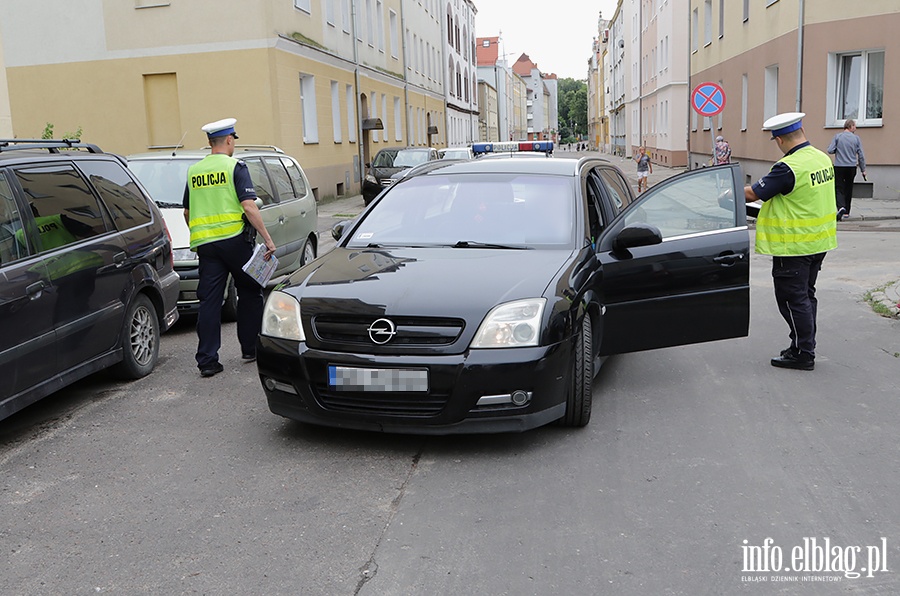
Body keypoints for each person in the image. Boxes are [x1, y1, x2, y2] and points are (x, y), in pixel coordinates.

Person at [744, 112, 837, 371]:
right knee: (806, 297)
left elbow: (753, 193)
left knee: (793, 300)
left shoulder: (788, 167)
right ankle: (801, 345)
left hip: (793, 246)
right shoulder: (821, 158)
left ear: (780, 140)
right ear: (802, 131)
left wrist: (725, 192)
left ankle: (804, 353)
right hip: (818, 243)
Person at [183, 118, 276, 377]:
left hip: (207, 246)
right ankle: (250, 348)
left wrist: (201, 234)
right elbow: (248, 205)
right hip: (236, 241)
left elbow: (188, 212)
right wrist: (267, 239)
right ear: (228, 140)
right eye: (233, 139)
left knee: (209, 301)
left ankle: (207, 361)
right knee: (250, 291)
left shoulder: (195, 171)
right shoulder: (236, 166)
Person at [827, 118, 866, 221]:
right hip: (851, 167)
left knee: (838, 188)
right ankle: (847, 212)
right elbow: (861, 155)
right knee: (848, 188)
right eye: (855, 126)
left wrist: (838, 150)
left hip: (839, 166)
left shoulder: (838, 137)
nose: (856, 128)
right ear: (850, 126)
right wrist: (863, 169)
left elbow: (830, 150)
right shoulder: (856, 139)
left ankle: (841, 207)